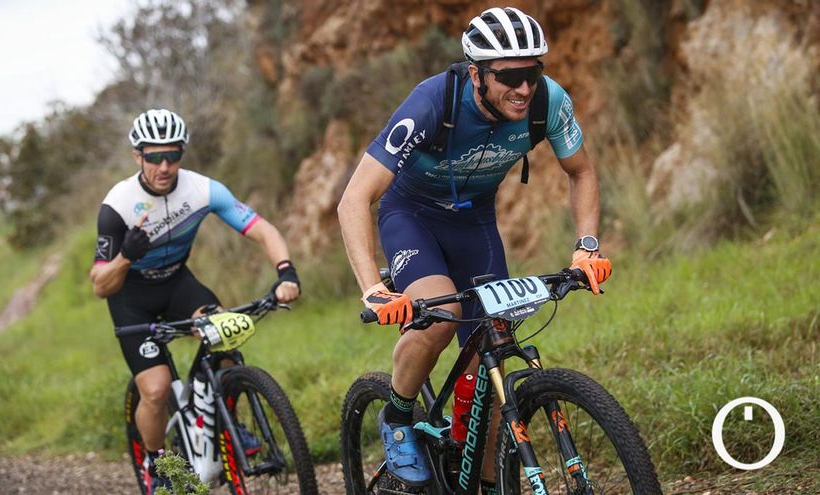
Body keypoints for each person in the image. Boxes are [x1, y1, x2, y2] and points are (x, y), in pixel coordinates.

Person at [337, 7, 611, 492]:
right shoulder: (432, 102)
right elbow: (356, 197)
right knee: (442, 318)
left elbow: (582, 172)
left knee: (494, 349)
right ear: (476, 74)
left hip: (475, 222)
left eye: (532, 74)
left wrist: (586, 247)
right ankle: (398, 417)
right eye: (509, 78)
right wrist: (373, 289)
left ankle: (482, 482)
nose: (524, 90)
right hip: (412, 216)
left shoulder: (549, 101)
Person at [90, 108, 300, 494]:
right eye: (154, 157)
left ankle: (227, 418)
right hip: (130, 295)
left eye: (173, 155)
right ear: (138, 156)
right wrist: (126, 256)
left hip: (177, 284)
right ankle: (159, 462)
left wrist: (285, 270)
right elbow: (100, 285)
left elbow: (260, 228)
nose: (164, 166)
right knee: (155, 389)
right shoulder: (118, 204)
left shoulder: (203, 189)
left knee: (225, 333)